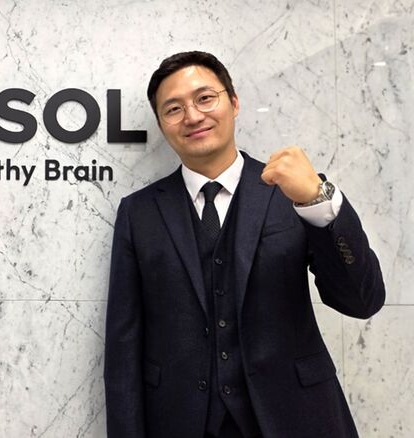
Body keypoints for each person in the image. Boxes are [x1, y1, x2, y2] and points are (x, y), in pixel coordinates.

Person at [104, 51, 385, 437]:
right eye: (173, 109)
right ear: (162, 125)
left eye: (205, 98)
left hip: (295, 416)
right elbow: (123, 349)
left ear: (234, 102)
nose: (192, 116)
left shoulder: (294, 192)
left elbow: (362, 300)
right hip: (180, 421)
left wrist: (318, 200)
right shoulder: (139, 213)